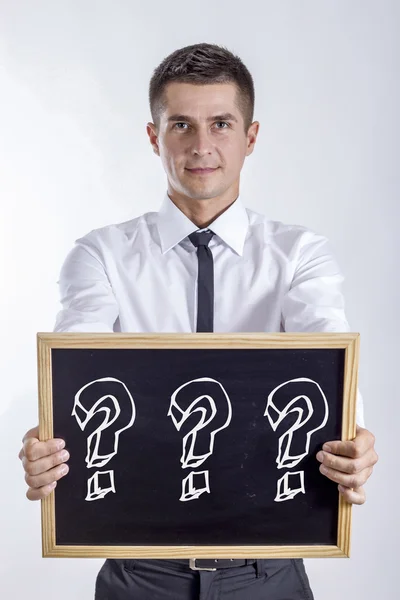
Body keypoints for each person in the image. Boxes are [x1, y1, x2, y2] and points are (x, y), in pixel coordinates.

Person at [18, 42, 378, 600]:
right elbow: (75, 371)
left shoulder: (300, 255)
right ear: (153, 136)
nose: (201, 145)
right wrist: (50, 441)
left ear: (250, 137)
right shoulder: (101, 256)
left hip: (268, 573)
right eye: (181, 124)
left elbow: (328, 356)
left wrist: (354, 440)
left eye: (221, 124)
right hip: (141, 574)